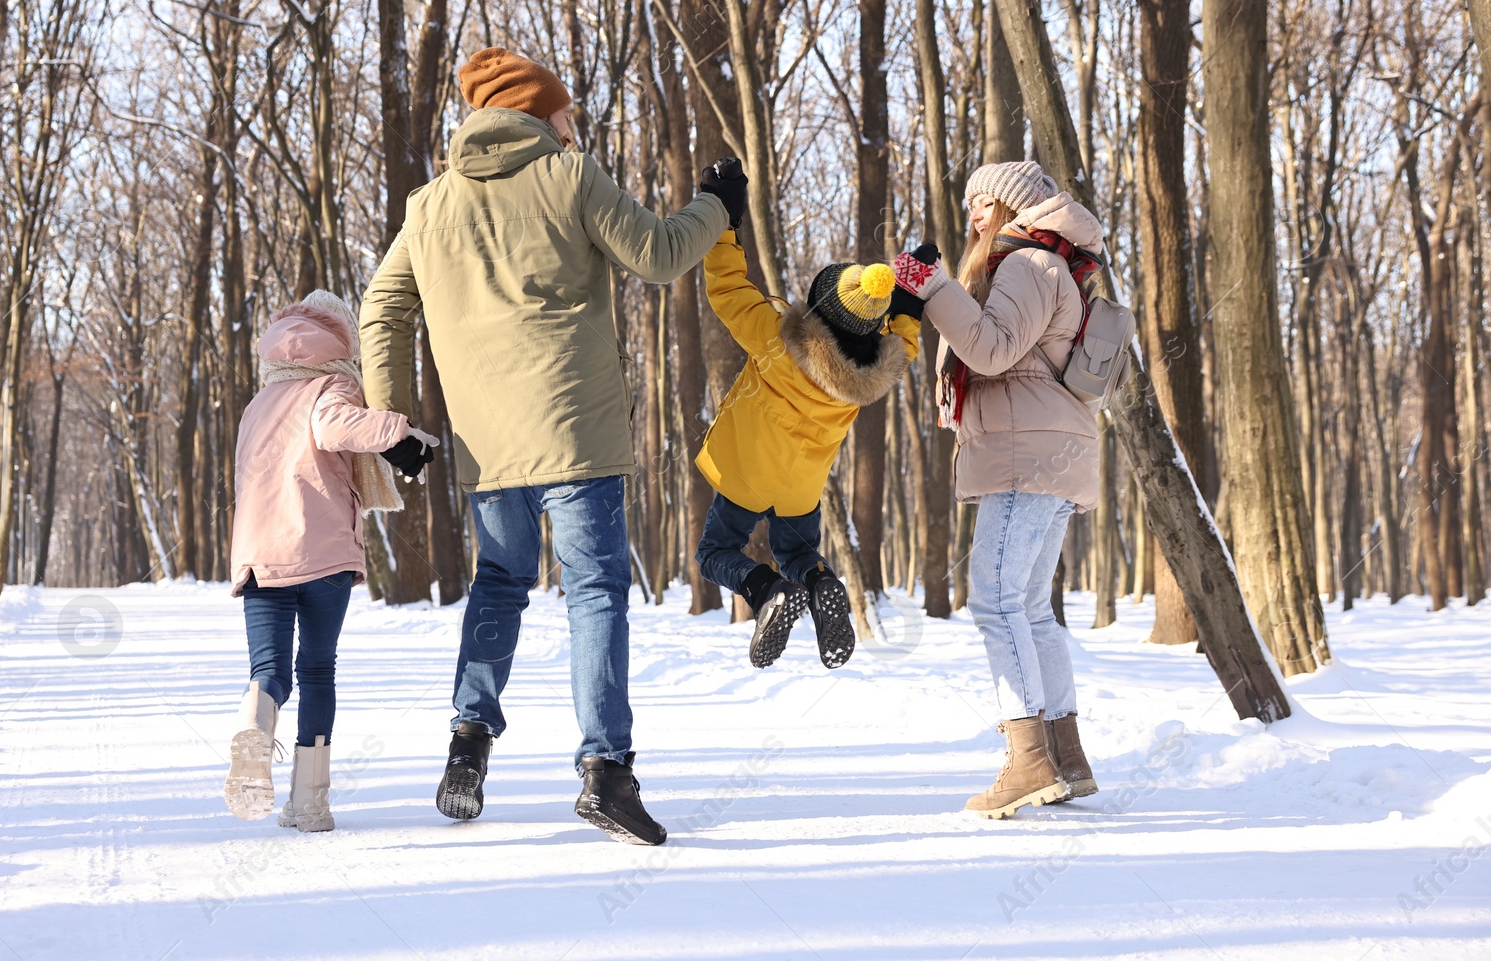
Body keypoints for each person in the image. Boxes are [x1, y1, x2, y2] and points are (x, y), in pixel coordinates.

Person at [359, 47, 735, 845]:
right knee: (595, 589)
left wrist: (392, 422)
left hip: (487, 444)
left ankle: (468, 744)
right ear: (536, 113)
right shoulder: (569, 173)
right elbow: (661, 254)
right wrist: (716, 204)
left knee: (499, 583)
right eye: (566, 112)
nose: (575, 125)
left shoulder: (428, 206)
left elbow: (381, 310)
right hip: (577, 430)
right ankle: (606, 771)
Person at [892, 160, 1104, 820]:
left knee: (995, 602)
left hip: (1027, 455)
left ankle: (1028, 763)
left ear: (1017, 208)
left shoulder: (1029, 265)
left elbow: (990, 350)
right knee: (1032, 609)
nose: (973, 218)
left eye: (983, 204)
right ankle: (1064, 755)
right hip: (1046, 449)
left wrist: (933, 289)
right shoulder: (1048, 266)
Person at [224, 290, 437, 832]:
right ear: (341, 339)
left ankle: (255, 721)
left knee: (268, 671)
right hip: (321, 554)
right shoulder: (334, 384)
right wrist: (399, 432)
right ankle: (310, 803)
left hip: (259, 556)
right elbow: (335, 427)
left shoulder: (258, 403)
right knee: (317, 670)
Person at [692, 202, 921, 670]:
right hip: (802, 488)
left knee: (715, 551)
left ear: (819, 301)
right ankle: (819, 585)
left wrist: (724, 220)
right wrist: (910, 284)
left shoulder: (777, 337)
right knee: (797, 551)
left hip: (746, 474)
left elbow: (728, 289)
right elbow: (905, 338)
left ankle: (765, 590)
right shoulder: (871, 374)